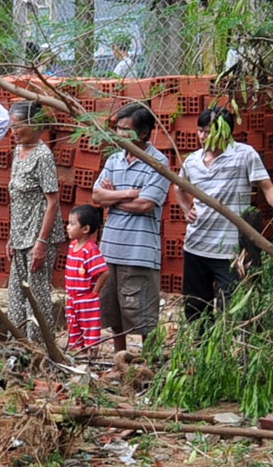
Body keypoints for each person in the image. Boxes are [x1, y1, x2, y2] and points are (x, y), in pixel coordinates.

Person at [91, 103, 170, 355]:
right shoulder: (114, 159)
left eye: (126, 129)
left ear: (144, 133)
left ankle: (150, 362)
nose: (119, 134)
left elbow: (145, 204)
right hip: (110, 249)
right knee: (113, 310)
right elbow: (96, 195)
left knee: (142, 313)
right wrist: (127, 194)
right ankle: (120, 360)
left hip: (139, 251)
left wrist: (112, 197)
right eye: (117, 128)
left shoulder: (159, 162)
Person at [182, 107, 273, 323]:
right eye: (200, 130)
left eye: (208, 131)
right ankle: (199, 344)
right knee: (195, 309)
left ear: (225, 132)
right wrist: (186, 209)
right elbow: (179, 187)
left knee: (230, 311)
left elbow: (267, 187)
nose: (203, 136)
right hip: (196, 245)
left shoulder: (244, 154)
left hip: (230, 252)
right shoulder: (192, 160)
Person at [5, 102, 63, 341]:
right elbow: (16, 198)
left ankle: (41, 349)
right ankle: (18, 348)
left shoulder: (43, 156)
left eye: (18, 126)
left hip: (38, 236)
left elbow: (53, 202)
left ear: (35, 124)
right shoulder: (18, 152)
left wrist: (42, 242)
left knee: (36, 297)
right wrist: (11, 236)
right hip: (20, 235)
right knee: (16, 295)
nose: (14, 132)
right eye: (12, 127)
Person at [64, 205, 109, 351]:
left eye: (72, 224)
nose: (68, 227)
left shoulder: (90, 249)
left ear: (85, 229)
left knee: (90, 333)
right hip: (72, 299)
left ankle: (91, 357)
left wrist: (94, 293)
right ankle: (77, 356)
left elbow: (104, 272)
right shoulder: (72, 246)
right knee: (74, 331)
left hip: (86, 299)